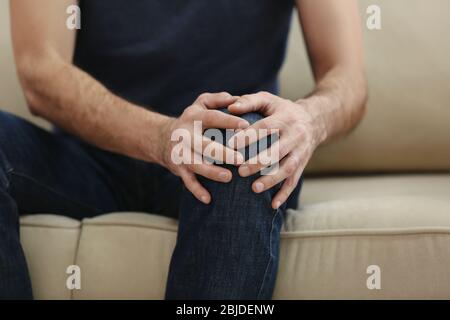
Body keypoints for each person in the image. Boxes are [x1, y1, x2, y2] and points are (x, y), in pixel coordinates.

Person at [1, 0, 367, 299]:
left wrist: (309, 119)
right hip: (86, 162)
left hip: (227, 155)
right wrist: (163, 138)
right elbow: (40, 70)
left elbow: (347, 79)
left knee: (241, 149)